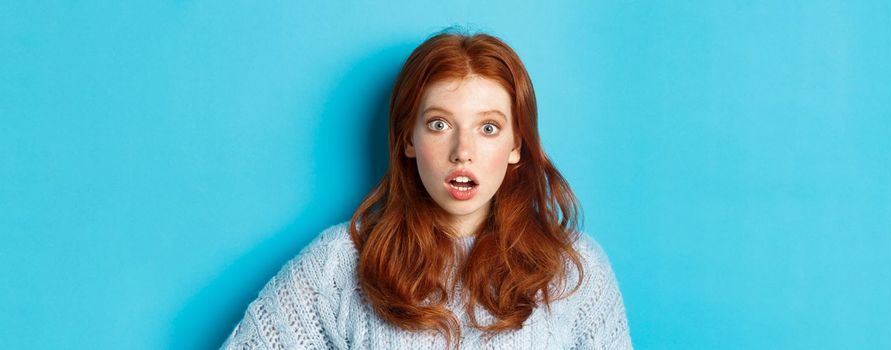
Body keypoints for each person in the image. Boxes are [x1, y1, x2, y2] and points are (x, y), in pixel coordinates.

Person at [220, 30, 632, 349]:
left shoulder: (575, 270)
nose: (463, 152)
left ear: (515, 146)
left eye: (488, 128)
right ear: (408, 139)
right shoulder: (340, 263)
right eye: (440, 124)